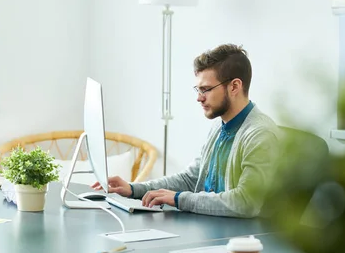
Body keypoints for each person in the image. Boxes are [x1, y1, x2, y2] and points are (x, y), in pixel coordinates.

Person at [93, 44, 280, 218]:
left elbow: (246, 202)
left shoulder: (259, 134)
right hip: (206, 227)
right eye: (198, 90)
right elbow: (191, 179)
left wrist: (178, 199)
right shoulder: (219, 126)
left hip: (236, 241)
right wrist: (134, 189)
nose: (199, 98)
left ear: (234, 86)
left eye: (205, 90)